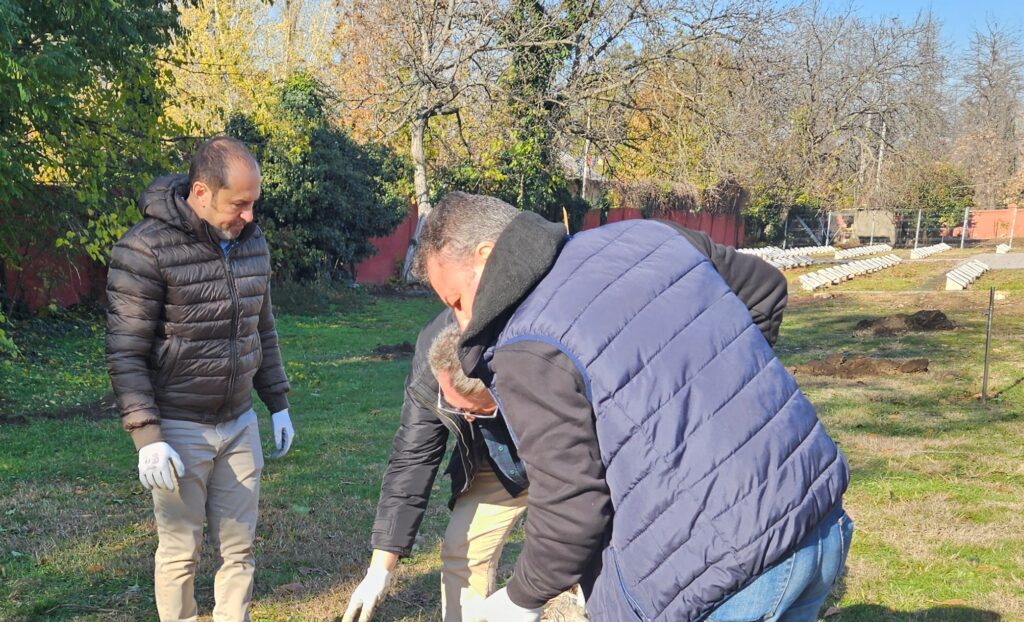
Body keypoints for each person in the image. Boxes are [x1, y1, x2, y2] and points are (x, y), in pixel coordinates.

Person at [411, 192, 853, 622]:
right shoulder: (647, 236)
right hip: (816, 516)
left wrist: (519, 600)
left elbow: (570, 507)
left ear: (487, 256)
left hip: (727, 577)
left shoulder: (525, 344)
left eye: (457, 302)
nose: (463, 323)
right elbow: (765, 288)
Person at [105, 136, 295, 622]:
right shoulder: (144, 249)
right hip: (179, 426)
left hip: (239, 423)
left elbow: (261, 327)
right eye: (239, 204)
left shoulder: (253, 244)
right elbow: (126, 352)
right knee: (179, 551)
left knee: (240, 549)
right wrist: (148, 438)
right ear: (201, 193)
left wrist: (277, 402)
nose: (250, 216)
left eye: (254, 203)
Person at [343, 316, 533, 622]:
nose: (465, 419)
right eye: (455, 408)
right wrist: (380, 568)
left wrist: (529, 598)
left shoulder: (539, 348)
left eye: (474, 410)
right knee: (463, 553)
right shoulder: (432, 368)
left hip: (569, 451)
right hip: (498, 455)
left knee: (588, 557)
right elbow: (412, 459)